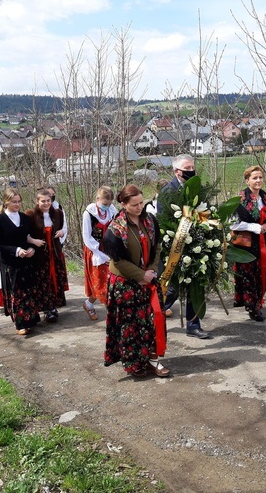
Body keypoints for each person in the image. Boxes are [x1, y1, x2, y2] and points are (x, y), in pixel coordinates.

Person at [103, 184, 169, 378]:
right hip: (126, 284)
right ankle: (134, 362)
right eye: (134, 205)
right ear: (123, 204)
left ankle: (154, 360)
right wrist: (140, 275)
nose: (140, 207)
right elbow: (118, 261)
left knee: (154, 320)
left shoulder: (150, 221)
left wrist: (150, 271)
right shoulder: (115, 229)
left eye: (141, 203)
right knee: (131, 326)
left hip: (148, 279)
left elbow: (157, 247)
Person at [158, 153, 212, 339]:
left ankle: (193, 324)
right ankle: (155, 314)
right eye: (187, 169)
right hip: (175, 247)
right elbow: (163, 221)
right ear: (176, 171)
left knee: (195, 285)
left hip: (195, 244)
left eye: (192, 167)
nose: (191, 171)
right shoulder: (167, 192)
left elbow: (205, 211)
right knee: (172, 288)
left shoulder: (198, 189)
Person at [0, 188, 42, 335]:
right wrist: (15, 250)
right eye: (14, 202)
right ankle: (20, 323)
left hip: (25, 260)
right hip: (10, 262)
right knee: (16, 292)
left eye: (19, 201)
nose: (17, 204)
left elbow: (29, 237)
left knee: (28, 291)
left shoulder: (25, 218)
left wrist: (31, 249)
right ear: (6, 202)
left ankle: (30, 320)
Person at [231, 166, 266, 321]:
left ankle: (256, 302)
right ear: (247, 180)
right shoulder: (241, 199)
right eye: (254, 178)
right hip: (247, 245)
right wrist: (255, 227)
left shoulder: (265, 197)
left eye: (260, 177)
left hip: (263, 242)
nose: (258, 181)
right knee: (249, 276)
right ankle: (253, 307)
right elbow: (233, 224)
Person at [25, 189, 68, 322]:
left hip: (54, 253)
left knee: (54, 279)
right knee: (43, 281)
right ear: (37, 202)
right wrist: (33, 241)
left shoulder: (58, 213)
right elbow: (24, 235)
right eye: (43, 201)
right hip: (40, 255)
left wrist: (61, 232)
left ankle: (53, 306)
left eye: (48, 201)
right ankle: (47, 309)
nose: (46, 203)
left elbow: (62, 228)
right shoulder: (30, 215)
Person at [81, 186, 117, 320]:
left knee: (111, 279)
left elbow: (115, 230)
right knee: (99, 280)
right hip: (94, 249)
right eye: (104, 204)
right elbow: (86, 236)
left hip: (108, 248)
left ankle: (107, 306)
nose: (106, 206)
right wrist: (99, 252)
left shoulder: (112, 211)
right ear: (97, 199)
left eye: (109, 204)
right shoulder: (89, 213)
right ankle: (90, 304)